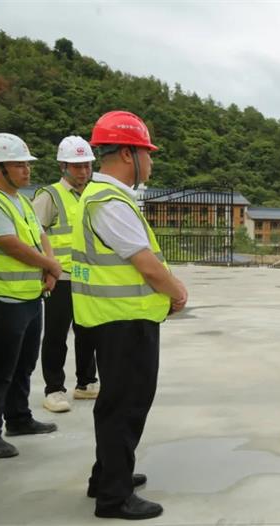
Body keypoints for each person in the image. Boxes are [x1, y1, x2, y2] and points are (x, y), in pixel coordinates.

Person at [72, 111, 188, 520]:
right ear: (127, 153)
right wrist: (177, 291)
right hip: (124, 321)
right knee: (125, 406)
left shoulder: (102, 196)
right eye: (147, 153)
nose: (151, 162)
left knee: (117, 403)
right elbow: (147, 265)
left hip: (116, 318)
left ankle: (107, 476)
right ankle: (114, 496)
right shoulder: (110, 201)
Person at [0, 132, 60, 459]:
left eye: (27, 164)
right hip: (2, 301)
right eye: (18, 165)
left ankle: (18, 418)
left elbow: (40, 236)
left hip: (30, 298)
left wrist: (50, 267)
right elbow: (12, 245)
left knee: (23, 365)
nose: (26, 170)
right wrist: (50, 266)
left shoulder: (21, 201)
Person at [34, 136, 99, 413]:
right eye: (77, 166)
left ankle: (86, 383)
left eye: (87, 165)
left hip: (87, 277)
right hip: (59, 278)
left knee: (88, 332)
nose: (83, 171)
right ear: (63, 166)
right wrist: (45, 268)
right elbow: (33, 234)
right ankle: (54, 390)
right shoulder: (49, 196)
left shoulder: (94, 194)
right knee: (56, 335)